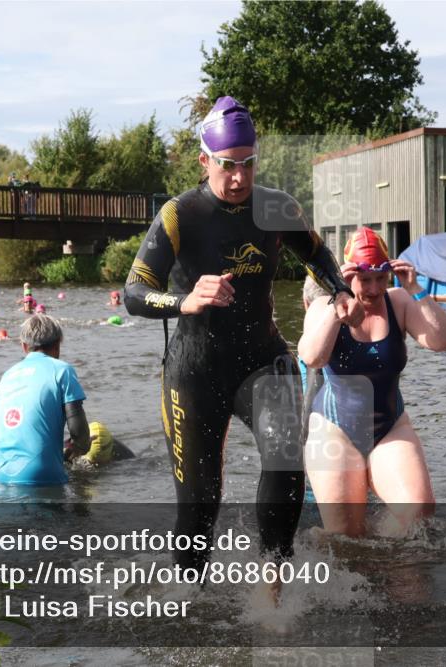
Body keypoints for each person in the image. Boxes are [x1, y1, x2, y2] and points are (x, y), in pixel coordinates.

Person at [124, 96, 359, 585]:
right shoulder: (179, 214)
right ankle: (189, 604)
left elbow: (317, 256)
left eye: (249, 164)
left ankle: (272, 588)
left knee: (286, 461)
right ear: (204, 161)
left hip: (261, 358)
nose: (240, 178)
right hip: (194, 371)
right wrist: (184, 300)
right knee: (199, 507)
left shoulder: (276, 207)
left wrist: (340, 291)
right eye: (229, 166)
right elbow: (134, 291)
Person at [298, 227, 446, 538]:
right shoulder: (321, 308)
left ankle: (392, 557)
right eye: (364, 280)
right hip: (334, 432)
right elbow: (312, 357)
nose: (373, 289)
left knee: (418, 512)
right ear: (348, 277)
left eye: (380, 279)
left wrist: (416, 289)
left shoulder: (399, 302)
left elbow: (443, 341)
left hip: (390, 427)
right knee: (346, 537)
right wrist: (337, 302)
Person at [0, 314, 90, 485]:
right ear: (57, 345)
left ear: (24, 346)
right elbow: (79, 433)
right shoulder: (62, 370)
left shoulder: (7, 375)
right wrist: (76, 451)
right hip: (39, 474)